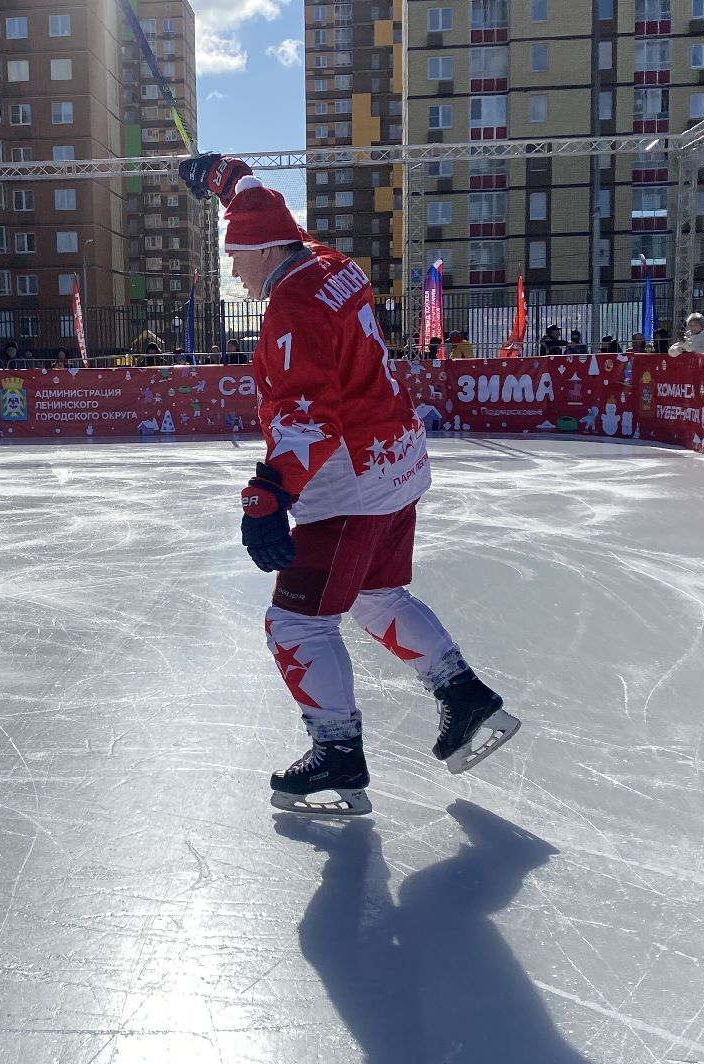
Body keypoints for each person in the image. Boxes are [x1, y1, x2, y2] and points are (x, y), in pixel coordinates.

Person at [179, 150, 518, 816]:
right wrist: (226, 181)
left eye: (235, 256)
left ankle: (338, 752)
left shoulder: (292, 307)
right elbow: (269, 214)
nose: (232, 268)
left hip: (349, 482)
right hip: (396, 459)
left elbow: (309, 414)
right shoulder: (332, 267)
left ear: (267, 248)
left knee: (296, 626)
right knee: (376, 596)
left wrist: (268, 496)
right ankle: (465, 697)